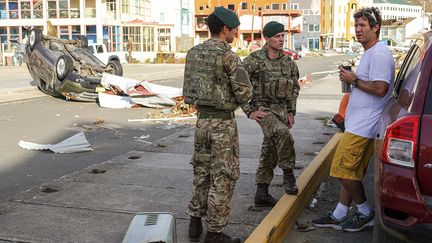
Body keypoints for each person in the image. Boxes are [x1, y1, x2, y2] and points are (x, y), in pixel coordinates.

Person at [183, 7, 266, 243]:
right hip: (222, 125)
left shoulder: (193, 52)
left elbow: (190, 93)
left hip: (202, 123)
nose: (236, 33)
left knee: (201, 172)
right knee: (223, 176)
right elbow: (244, 91)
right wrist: (249, 107)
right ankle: (215, 234)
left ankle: (195, 222)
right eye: (235, 29)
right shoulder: (228, 55)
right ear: (225, 29)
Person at [312, 7, 395, 232]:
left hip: (364, 126)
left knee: (340, 170)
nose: (358, 30)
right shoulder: (370, 52)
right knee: (351, 171)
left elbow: (380, 88)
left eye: (363, 26)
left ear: (376, 28)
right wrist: (352, 80)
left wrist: (354, 80)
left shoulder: (378, 53)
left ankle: (366, 212)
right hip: (358, 123)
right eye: (356, 26)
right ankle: (339, 213)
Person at [243, 21, 300, 208]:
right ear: (267, 39)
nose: (281, 39)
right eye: (277, 36)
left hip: (282, 111)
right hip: (264, 110)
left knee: (270, 148)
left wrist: (291, 111)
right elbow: (237, 85)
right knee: (283, 133)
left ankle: (262, 192)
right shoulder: (254, 61)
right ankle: (288, 173)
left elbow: (294, 89)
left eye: (283, 36)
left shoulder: (288, 62)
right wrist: (249, 111)